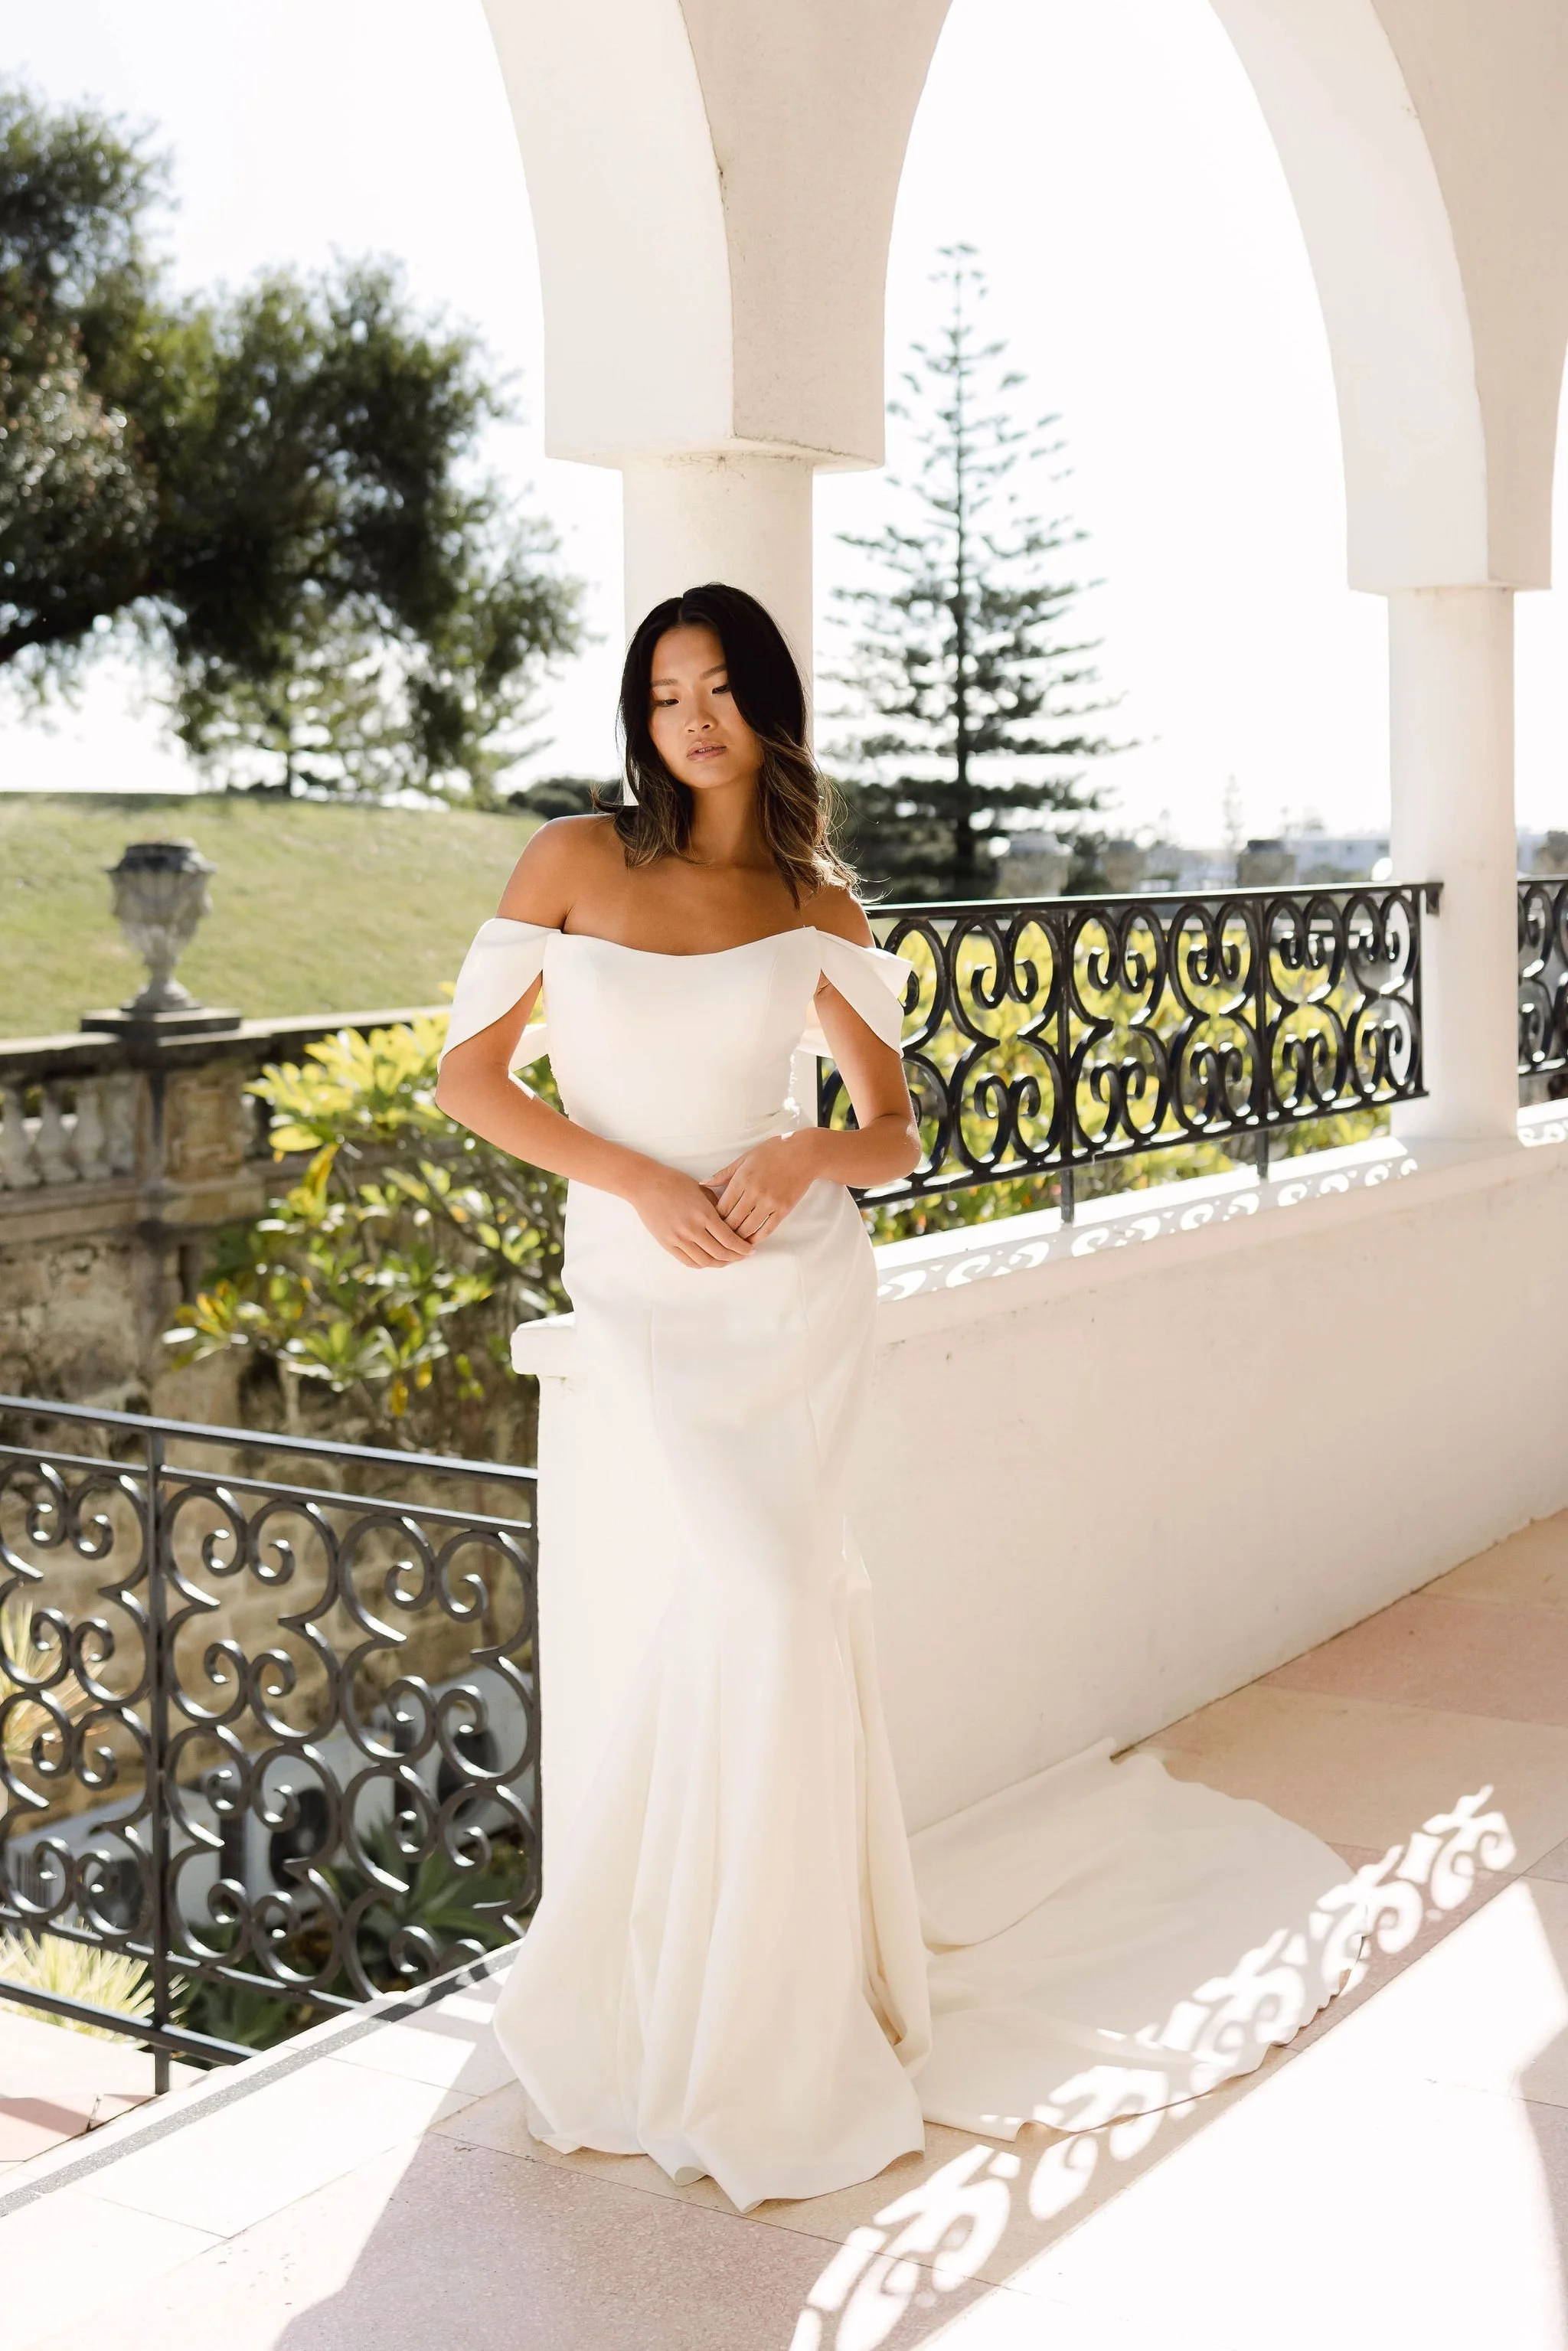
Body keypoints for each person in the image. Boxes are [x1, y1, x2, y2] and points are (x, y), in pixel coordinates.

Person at [434, 582, 1365, 2215]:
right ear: (637, 717)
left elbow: (894, 1131)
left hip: (794, 1283)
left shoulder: (817, 902)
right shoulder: (575, 860)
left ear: (767, 704)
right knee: (776, 1606)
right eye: (663, 693)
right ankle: (704, 1985)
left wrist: (795, 1150)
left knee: (779, 1606)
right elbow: (470, 1079)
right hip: (651, 1282)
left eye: (719, 688)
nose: (690, 718)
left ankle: (778, 1999)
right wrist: (644, 1187)